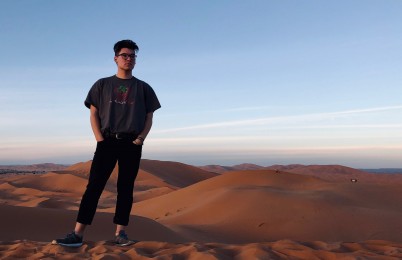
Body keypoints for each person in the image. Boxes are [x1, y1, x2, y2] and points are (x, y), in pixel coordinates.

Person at [52, 39, 161, 247]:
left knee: (126, 188)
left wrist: (140, 139)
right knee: (94, 186)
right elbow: (93, 113)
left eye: (132, 56)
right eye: (125, 55)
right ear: (115, 58)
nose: (129, 59)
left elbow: (149, 117)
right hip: (107, 141)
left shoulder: (144, 88)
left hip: (132, 143)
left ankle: (120, 233)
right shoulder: (102, 84)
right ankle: (77, 234)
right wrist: (100, 139)